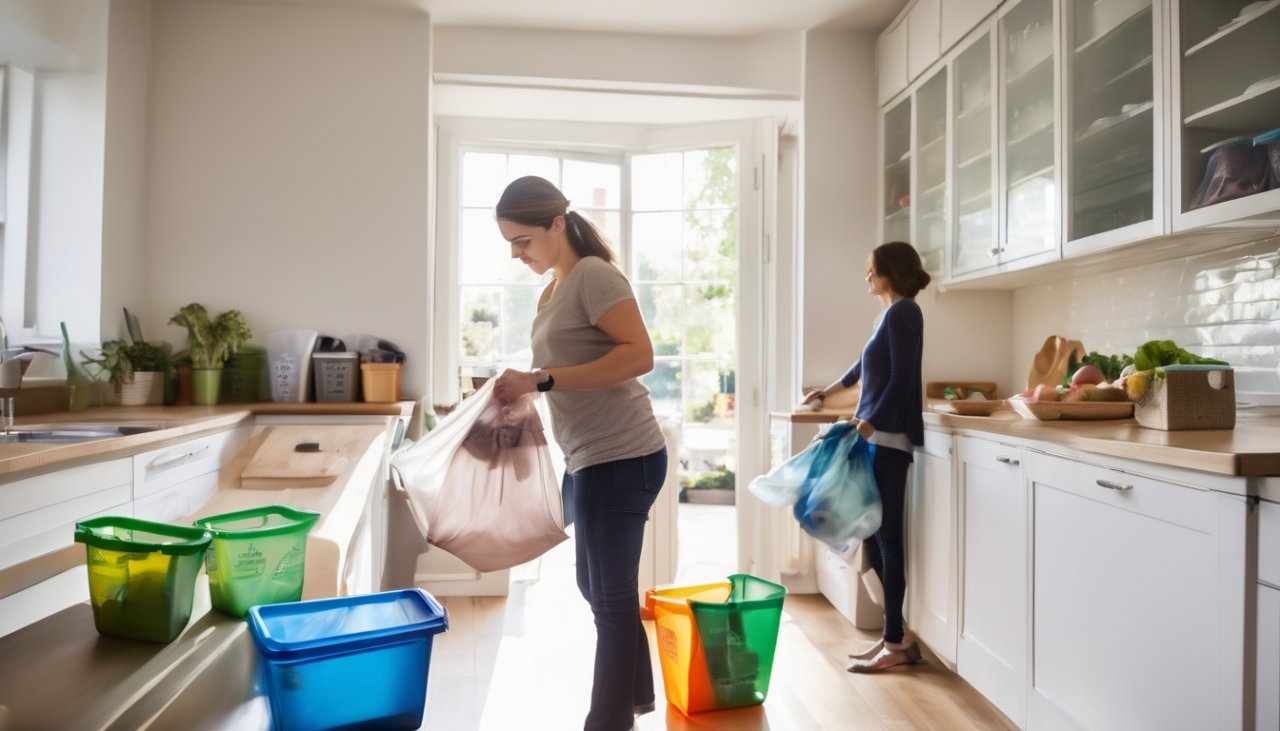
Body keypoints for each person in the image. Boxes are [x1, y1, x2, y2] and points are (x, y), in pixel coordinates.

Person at [491, 176, 668, 731]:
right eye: (510, 244)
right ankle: (637, 694)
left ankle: (608, 722)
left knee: (610, 599)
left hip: (624, 454)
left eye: (522, 241)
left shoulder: (593, 275)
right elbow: (561, 375)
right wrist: (518, 389)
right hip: (587, 458)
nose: (516, 254)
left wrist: (540, 379)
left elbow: (640, 355)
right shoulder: (552, 290)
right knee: (596, 588)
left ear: (556, 224)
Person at [802, 240, 930, 673]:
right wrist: (825, 392)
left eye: (873, 268)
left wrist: (871, 421)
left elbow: (902, 378)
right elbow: (861, 367)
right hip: (874, 437)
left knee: (888, 540)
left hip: (889, 440)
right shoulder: (886, 316)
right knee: (872, 536)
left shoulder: (905, 312)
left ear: (890, 272)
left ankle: (895, 642)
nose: (867, 275)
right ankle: (895, 635)